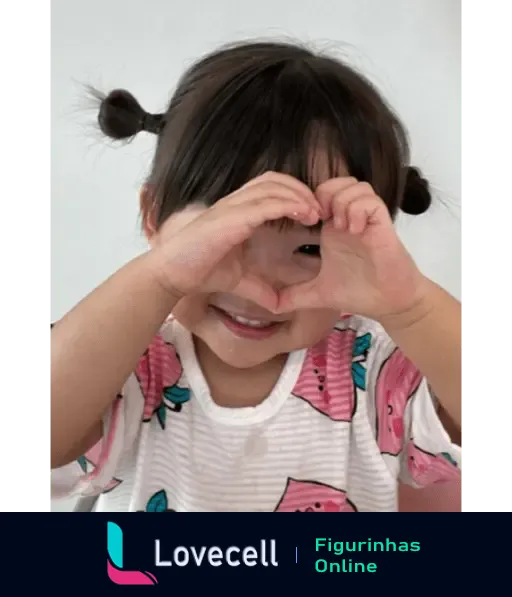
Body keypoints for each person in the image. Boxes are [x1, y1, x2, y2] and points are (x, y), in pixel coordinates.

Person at [49, 40, 463, 512]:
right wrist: (158, 278)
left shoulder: (373, 371)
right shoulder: (123, 361)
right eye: (225, 237)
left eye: (309, 248)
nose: (259, 288)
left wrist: (412, 306)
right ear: (153, 217)